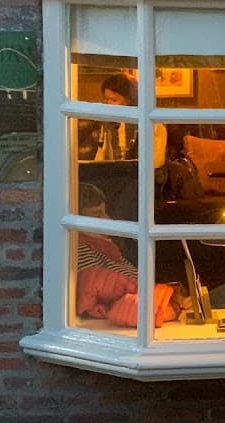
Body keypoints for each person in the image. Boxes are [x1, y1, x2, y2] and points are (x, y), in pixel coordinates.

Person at [74, 182, 182, 327]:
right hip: (120, 329)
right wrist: (168, 301)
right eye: (97, 215)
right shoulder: (82, 252)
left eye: (105, 212)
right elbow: (120, 297)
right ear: (76, 221)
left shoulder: (107, 250)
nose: (107, 219)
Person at [95, 72, 167, 167]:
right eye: (107, 100)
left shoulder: (153, 124)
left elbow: (157, 162)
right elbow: (100, 158)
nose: (108, 104)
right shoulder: (108, 125)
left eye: (114, 100)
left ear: (130, 99)